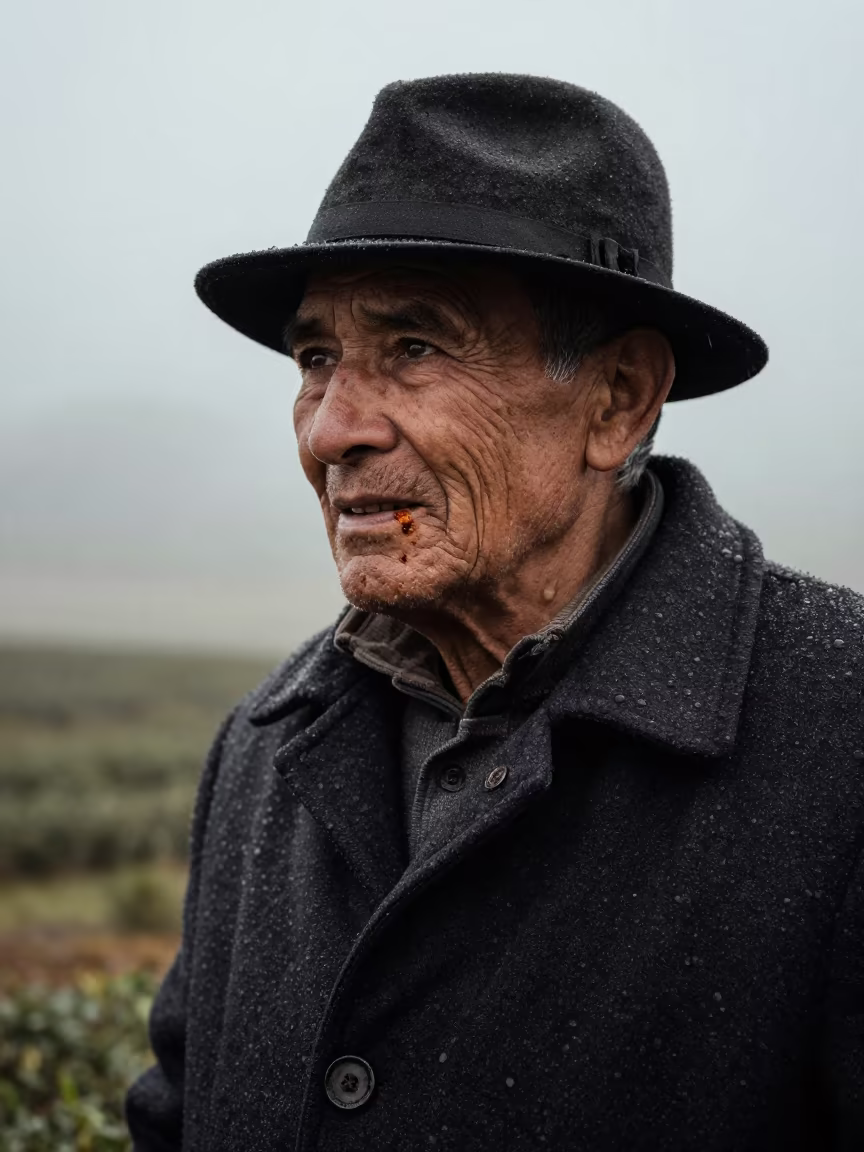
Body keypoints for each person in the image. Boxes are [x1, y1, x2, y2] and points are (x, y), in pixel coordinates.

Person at [126, 74, 864, 1151]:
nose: (332, 430)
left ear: (616, 403)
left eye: (416, 349)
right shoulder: (264, 745)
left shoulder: (841, 737)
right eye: (315, 357)